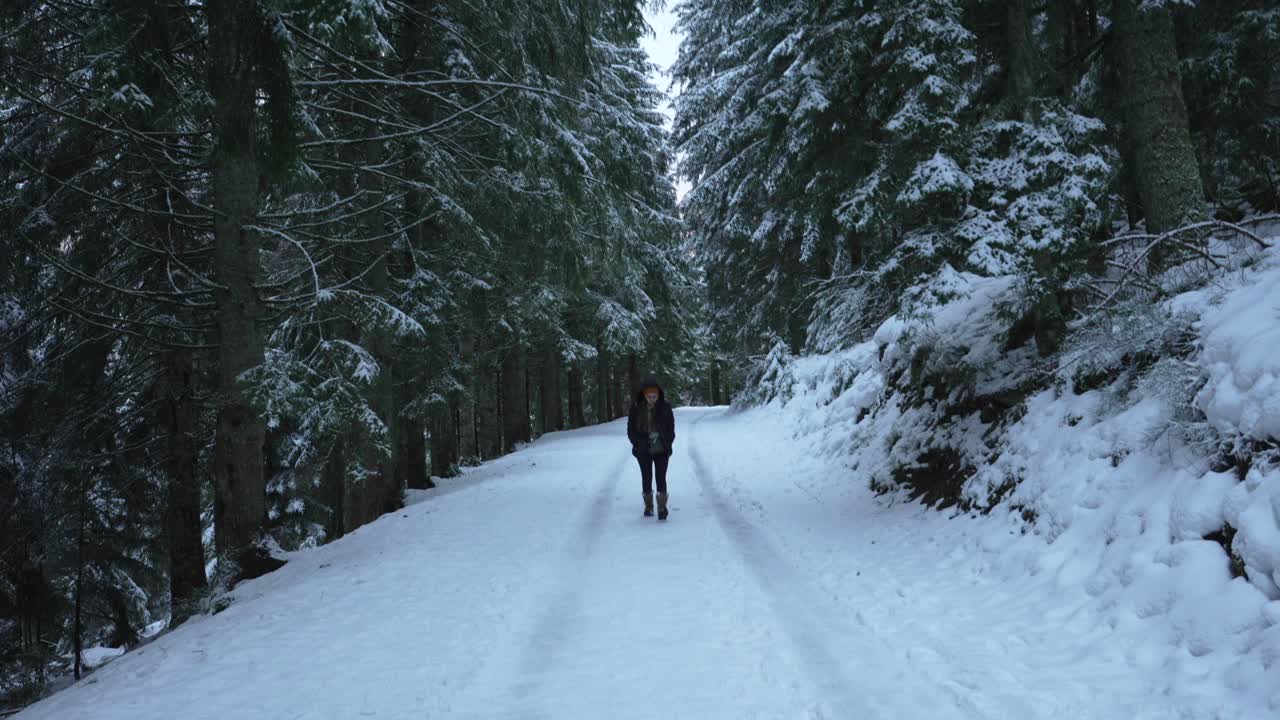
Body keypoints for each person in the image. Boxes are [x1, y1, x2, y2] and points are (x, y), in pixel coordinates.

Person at [627, 374, 676, 520]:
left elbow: (671, 429)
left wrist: (666, 442)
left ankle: (662, 507)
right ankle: (648, 506)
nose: (652, 399)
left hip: (662, 448)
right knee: (646, 476)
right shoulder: (636, 408)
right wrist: (638, 443)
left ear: (658, 394)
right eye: (649, 396)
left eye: (654, 396)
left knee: (661, 476)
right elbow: (631, 430)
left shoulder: (665, 407)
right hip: (643, 449)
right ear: (644, 395)